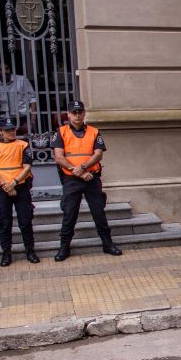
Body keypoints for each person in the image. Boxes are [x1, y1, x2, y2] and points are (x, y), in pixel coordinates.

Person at [51, 100, 122, 261]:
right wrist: (78, 172)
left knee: (99, 213)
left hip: (92, 178)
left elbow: (98, 154)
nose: (77, 115)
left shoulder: (94, 131)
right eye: (74, 112)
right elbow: (59, 157)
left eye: (80, 112)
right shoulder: (60, 132)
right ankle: (64, 247)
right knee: (69, 214)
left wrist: (82, 168)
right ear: (68, 114)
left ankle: (108, 244)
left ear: (84, 114)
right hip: (71, 179)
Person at [0, 117, 38, 266]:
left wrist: (14, 183)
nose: (11, 132)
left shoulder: (23, 145)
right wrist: (5, 185)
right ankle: (6, 253)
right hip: (3, 189)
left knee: (25, 221)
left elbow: (27, 167)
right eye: (7, 130)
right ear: (0, 132)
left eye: (13, 129)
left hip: (20, 187)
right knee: (4, 222)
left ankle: (30, 251)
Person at [0, 62, 38, 131]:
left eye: (6, 68)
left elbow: (32, 98)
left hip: (23, 117)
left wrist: (33, 118)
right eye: (0, 69)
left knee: (26, 139)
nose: (5, 71)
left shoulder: (21, 80)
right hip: (4, 117)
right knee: (8, 140)